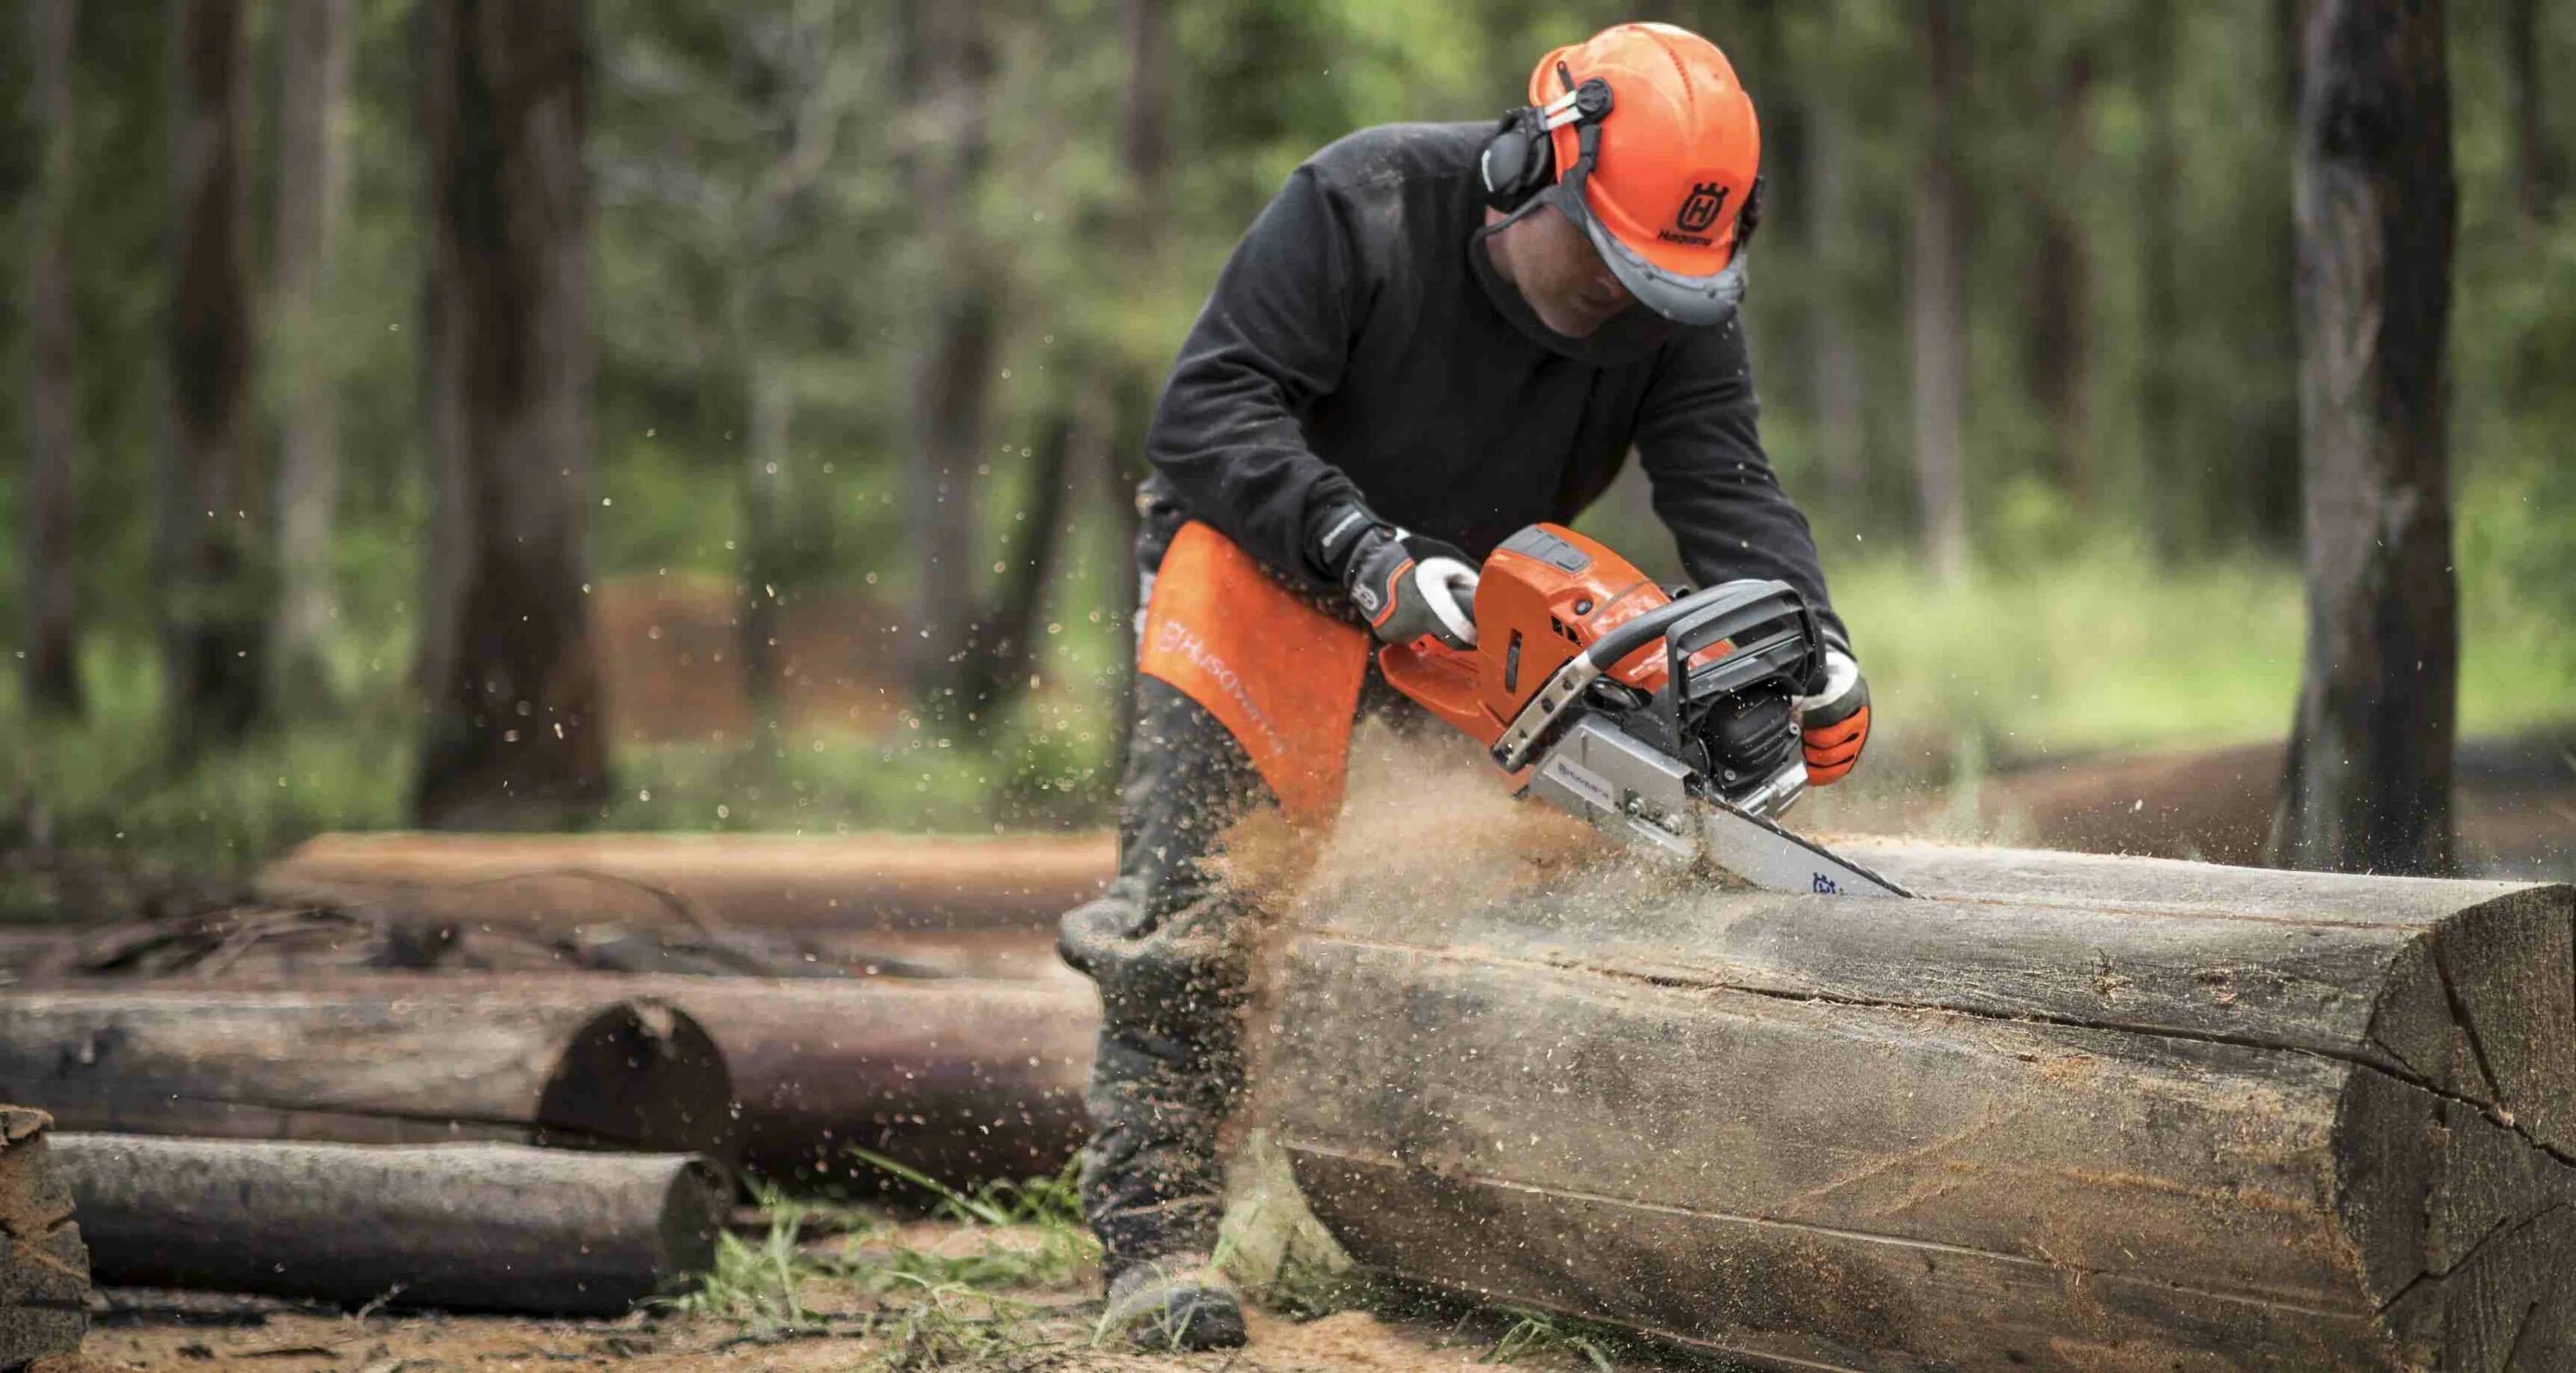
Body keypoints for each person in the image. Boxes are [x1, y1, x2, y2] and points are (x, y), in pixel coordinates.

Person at [1059, 21, 1873, 1351]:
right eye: (1614, 267)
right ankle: (1154, 1240)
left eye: (1662, 286)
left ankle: (1450, 1200)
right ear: (1532, 167)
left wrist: (1807, 638)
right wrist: (1359, 550)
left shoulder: (1677, 307)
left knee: (1510, 883)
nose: (1627, 304)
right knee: (1200, 905)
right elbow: (1205, 414)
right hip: (1266, 561)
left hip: (1476, 606)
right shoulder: (1361, 206)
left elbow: (1723, 478)